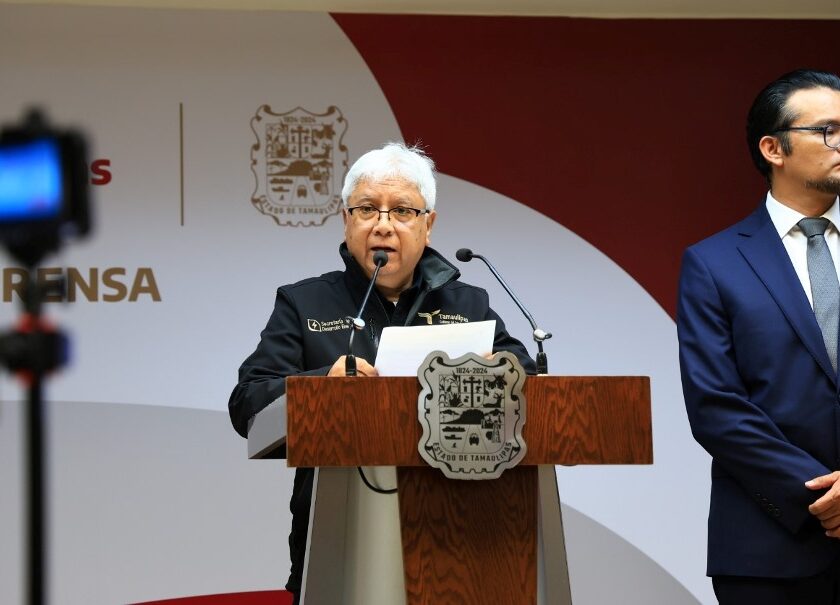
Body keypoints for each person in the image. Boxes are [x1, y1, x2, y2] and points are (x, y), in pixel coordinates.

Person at [229, 142, 535, 604]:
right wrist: (322, 384)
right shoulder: (304, 303)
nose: (384, 225)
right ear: (347, 220)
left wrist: (496, 373)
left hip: (461, 544)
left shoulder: (469, 304)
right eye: (367, 209)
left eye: (403, 211)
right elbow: (248, 402)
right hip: (338, 538)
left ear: (428, 224)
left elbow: (523, 373)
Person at [678, 69, 840, 604]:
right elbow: (716, 406)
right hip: (770, 548)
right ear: (774, 148)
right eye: (829, 131)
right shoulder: (714, 263)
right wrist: (821, 496)